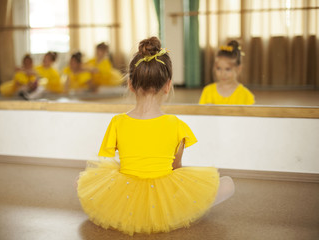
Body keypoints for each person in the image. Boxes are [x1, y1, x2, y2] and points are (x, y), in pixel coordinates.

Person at [77, 37, 235, 236]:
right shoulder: (176, 125)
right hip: (164, 201)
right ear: (168, 85)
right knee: (227, 184)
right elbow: (175, 168)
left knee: (80, 182)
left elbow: (114, 164)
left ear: (130, 84)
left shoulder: (117, 122)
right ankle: (176, 212)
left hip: (125, 200)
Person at [199, 40, 255, 105]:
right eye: (218, 68)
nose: (223, 74)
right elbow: (199, 113)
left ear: (239, 69)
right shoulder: (207, 91)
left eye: (228, 69)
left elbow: (249, 114)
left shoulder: (246, 95)